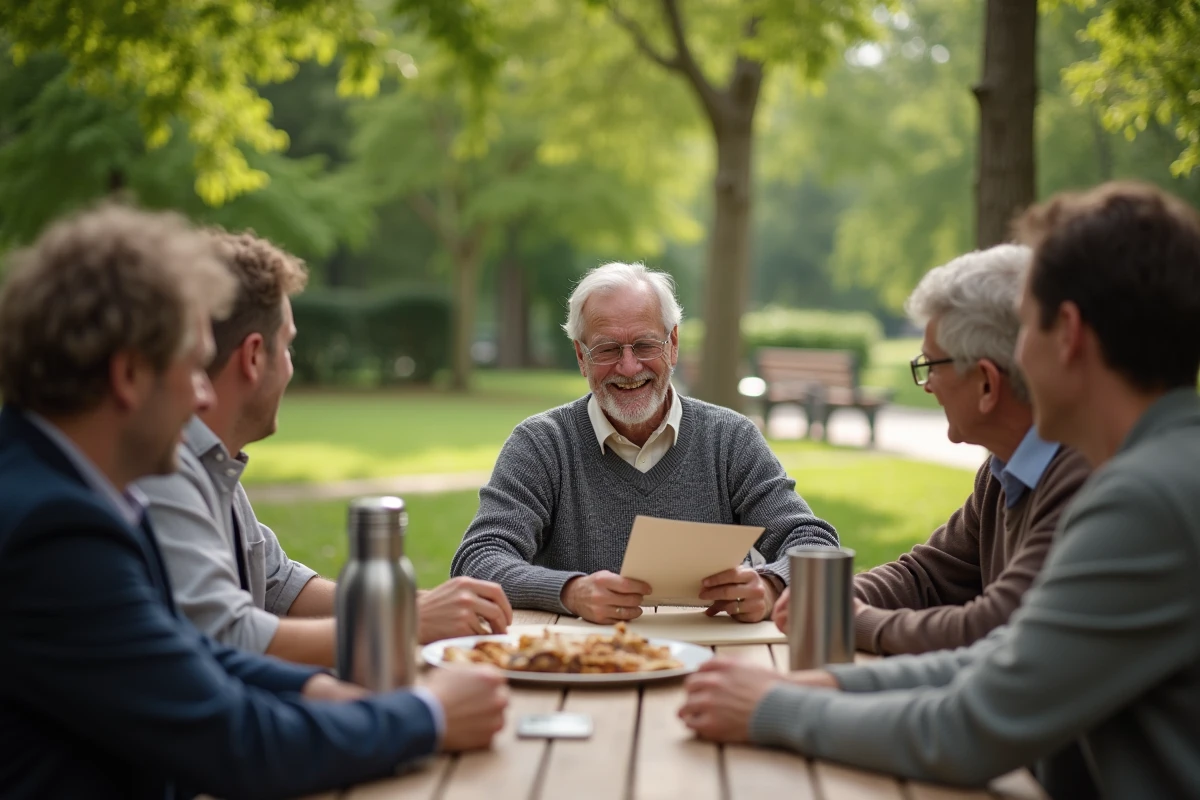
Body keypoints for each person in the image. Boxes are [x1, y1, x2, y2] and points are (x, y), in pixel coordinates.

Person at [679, 182, 1200, 797]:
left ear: (1069, 332)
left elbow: (972, 728)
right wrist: (815, 686)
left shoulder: (1145, 499)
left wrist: (770, 711)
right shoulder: (1161, 469)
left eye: (1026, 326)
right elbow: (1005, 658)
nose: (1017, 358)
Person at [0, 206, 506, 800]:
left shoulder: (63, 487)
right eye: (191, 367)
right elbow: (233, 742)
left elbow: (189, 655)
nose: (201, 396)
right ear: (129, 375)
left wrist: (317, 693)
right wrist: (427, 716)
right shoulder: (53, 532)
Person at [136, 230, 512, 673]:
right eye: (289, 344)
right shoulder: (167, 470)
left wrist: (421, 604)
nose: (291, 366)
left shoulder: (214, 463)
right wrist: (402, 622)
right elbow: (225, 635)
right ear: (254, 357)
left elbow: (279, 583)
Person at [451, 261, 838, 624]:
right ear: (581, 357)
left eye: (644, 345)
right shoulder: (542, 444)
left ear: (672, 344)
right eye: (606, 349)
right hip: (581, 664)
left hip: (712, 660)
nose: (629, 366)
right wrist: (570, 591)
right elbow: (478, 558)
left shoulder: (729, 439)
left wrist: (771, 584)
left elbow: (816, 543)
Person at [773, 245, 1091, 655]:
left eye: (930, 365)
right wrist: (823, 599)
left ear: (987, 384)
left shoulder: (1079, 474)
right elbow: (926, 576)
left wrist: (846, 619)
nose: (927, 385)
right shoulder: (1005, 469)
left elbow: (996, 626)